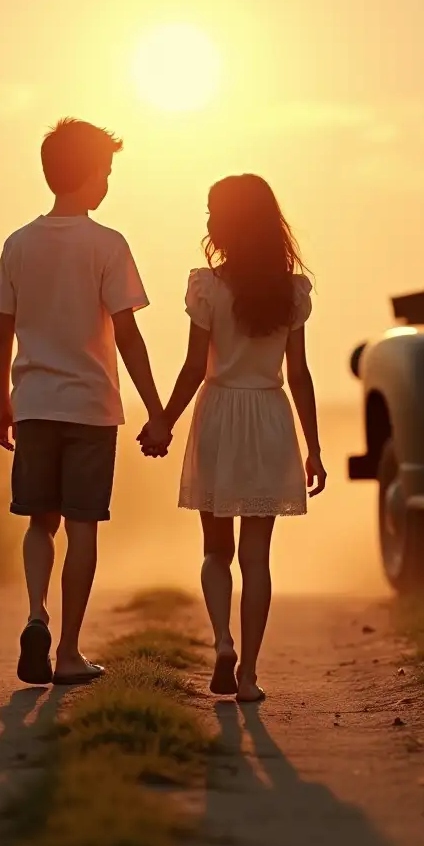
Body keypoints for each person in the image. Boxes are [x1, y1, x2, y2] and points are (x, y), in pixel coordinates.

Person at [0, 117, 171, 687]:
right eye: (107, 171)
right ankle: (67, 651)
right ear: (90, 174)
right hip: (91, 407)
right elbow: (129, 335)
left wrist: (2, 400)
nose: (108, 182)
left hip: (35, 403)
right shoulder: (108, 245)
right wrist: (156, 409)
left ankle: (36, 613)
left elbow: (2, 332)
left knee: (40, 522)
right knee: (83, 526)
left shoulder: (18, 243)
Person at [139, 174, 326, 703]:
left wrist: (164, 423)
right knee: (257, 557)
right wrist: (313, 448)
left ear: (222, 224)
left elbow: (194, 367)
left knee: (215, 549)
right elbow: (302, 373)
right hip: (269, 414)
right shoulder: (291, 292)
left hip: (220, 414)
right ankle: (248, 675)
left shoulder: (208, 287)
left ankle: (222, 643)